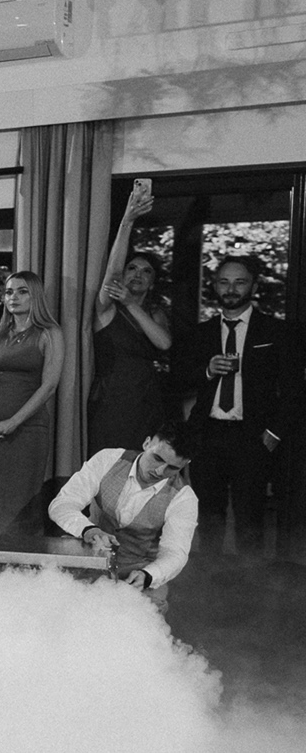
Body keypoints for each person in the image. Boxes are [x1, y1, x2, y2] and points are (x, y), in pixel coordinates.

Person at [173, 255, 302, 557]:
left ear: (253, 287)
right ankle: (210, 578)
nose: (231, 289)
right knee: (207, 517)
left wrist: (274, 433)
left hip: (254, 436)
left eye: (239, 282)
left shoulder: (277, 332)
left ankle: (249, 582)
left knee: (250, 519)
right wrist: (207, 371)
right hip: (207, 435)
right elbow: (177, 380)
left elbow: (295, 390)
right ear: (215, 286)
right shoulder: (200, 333)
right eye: (224, 282)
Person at [48, 420, 197, 604]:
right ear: (147, 443)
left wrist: (148, 575)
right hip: (87, 560)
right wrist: (88, 529)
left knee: (146, 613)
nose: (159, 471)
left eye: (172, 468)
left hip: (137, 573)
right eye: (157, 458)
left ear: (184, 465)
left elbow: (175, 553)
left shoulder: (184, 498)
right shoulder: (108, 459)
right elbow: (62, 504)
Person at [0, 270, 64, 544]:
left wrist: (13, 422)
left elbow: (49, 386)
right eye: (9, 291)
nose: (13, 297)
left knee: (22, 505)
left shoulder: (49, 333)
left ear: (35, 295)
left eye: (22, 291)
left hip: (28, 430)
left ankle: (24, 563)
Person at [88, 179, 171, 453]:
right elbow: (111, 273)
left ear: (152, 282)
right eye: (132, 268)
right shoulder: (107, 308)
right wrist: (127, 221)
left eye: (146, 271)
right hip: (112, 401)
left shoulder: (154, 313)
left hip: (147, 401)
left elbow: (163, 343)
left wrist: (132, 304)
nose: (138, 274)